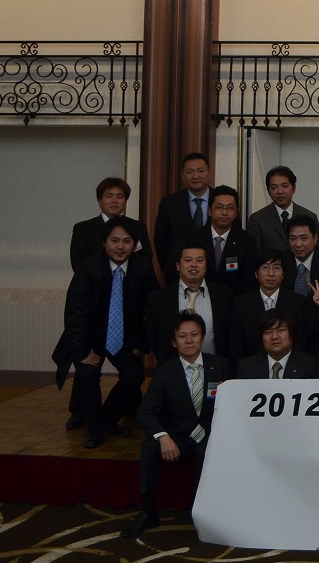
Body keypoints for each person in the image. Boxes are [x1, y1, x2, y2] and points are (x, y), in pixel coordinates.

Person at [121, 312, 228, 538]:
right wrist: (162, 436)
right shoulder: (165, 372)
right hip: (179, 438)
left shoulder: (220, 366)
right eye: (182, 336)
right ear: (173, 342)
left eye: (194, 335)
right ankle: (148, 511)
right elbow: (145, 411)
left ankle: (203, 512)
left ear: (203, 338)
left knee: (206, 451)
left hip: (211, 436)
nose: (189, 340)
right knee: (150, 446)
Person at [53, 220, 155, 448]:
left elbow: (154, 309)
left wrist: (143, 344)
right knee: (87, 375)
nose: (120, 247)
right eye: (114, 241)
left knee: (134, 375)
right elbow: (75, 312)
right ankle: (95, 430)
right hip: (90, 338)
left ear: (134, 245)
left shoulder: (143, 268)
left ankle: (107, 419)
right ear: (104, 242)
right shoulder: (88, 267)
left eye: (127, 241)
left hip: (126, 338)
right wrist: (81, 351)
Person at [145, 238, 233, 366]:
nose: (194, 265)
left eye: (200, 260)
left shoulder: (225, 295)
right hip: (174, 369)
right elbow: (153, 336)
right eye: (188, 260)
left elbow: (231, 336)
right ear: (178, 266)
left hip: (215, 368)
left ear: (206, 266)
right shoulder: (159, 298)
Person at [228, 249, 312, 362]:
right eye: (265, 267)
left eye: (276, 268)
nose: (271, 274)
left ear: (283, 274)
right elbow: (236, 345)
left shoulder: (298, 302)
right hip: (251, 367)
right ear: (256, 274)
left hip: (290, 366)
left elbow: (301, 341)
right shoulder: (240, 303)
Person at [152, 152, 213, 282]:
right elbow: (161, 241)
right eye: (190, 172)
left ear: (209, 172)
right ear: (183, 175)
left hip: (216, 276)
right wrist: (169, 269)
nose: (195, 176)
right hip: (178, 276)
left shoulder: (222, 200)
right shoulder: (170, 203)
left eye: (200, 171)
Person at [69, 176, 151, 269]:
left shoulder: (138, 227)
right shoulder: (83, 229)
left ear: (125, 202)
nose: (114, 201)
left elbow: (146, 261)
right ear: (99, 201)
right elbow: (78, 265)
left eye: (120, 197)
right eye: (109, 196)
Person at [246, 165, 317, 258]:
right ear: (268, 191)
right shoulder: (257, 219)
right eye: (274, 187)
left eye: (285, 186)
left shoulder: (310, 216)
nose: (280, 191)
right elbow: (254, 255)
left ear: (294, 188)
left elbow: (316, 252)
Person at [200, 185, 257, 296]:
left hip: (235, 300)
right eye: (219, 207)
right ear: (209, 211)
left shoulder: (247, 241)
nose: (224, 213)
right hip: (201, 298)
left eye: (230, 208)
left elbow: (248, 280)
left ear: (236, 213)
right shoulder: (195, 238)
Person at [237, 309, 314, 379]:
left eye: (280, 330)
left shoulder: (309, 366)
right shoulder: (247, 367)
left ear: (291, 334)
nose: (274, 337)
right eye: (268, 332)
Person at [285, 215, 319, 297]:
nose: (298, 244)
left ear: (315, 238)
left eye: (303, 238)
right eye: (293, 239)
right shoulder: (281, 260)